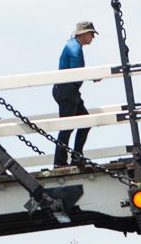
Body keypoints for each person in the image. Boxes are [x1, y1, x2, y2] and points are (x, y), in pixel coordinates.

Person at [52, 21, 98, 168]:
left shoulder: (73, 45)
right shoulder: (74, 48)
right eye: (91, 34)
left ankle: (76, 156)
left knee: (85, 122)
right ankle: (60, 162)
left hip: (69, 91)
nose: (93, 37)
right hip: (67, 91)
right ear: (84, 34)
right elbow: (76, 72)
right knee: (68, 126)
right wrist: (93, 76)